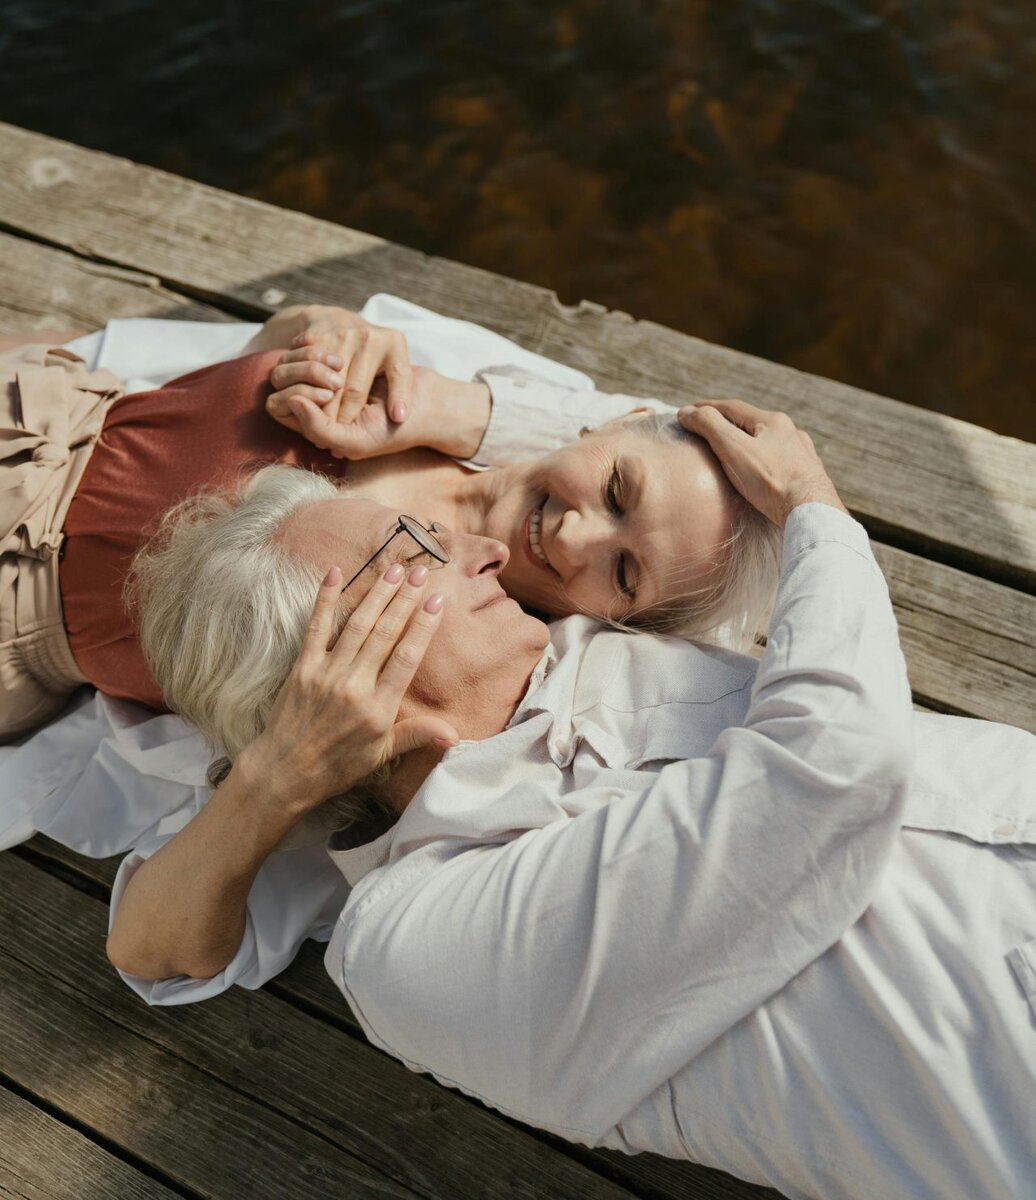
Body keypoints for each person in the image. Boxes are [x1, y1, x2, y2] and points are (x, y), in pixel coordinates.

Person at [106, 399, 1036, 1200]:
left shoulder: (590, 625)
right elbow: (827, 774)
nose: (483, 548)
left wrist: (447, 398)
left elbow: (640, 444)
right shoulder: (410, 941)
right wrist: (816, 514)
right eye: (415, 544)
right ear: (325, 675)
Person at [0, 301, 780, 743]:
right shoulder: (424, 387)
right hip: (41, 406)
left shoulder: (429, 635)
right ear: (613, 426)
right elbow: (252, 347)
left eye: (624, 572)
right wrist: (322, 333)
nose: (578, 538)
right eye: (616, 490)